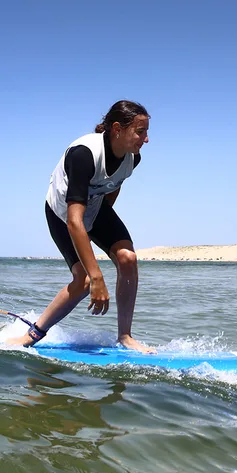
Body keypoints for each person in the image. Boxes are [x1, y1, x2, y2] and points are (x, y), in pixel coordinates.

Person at [8, 100, 155, 353]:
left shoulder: (134, 157)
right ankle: (32, 335)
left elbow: (114, 183)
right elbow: (74, 220)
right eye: (140, 132)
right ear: (118, 129)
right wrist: (97, 276)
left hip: (95, 207)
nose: (146, 139)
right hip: (62, 213)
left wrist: (101, 221)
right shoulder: (83, 154)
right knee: (84, 280)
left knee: (128, 259)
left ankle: (125, 336)